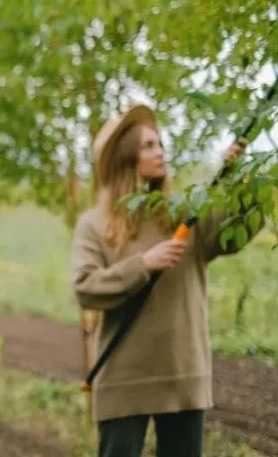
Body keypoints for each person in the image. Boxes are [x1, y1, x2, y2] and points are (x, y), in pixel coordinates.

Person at [71, 104, 262, 457]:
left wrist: (239, 178)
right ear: (124, 157)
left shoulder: (183, 212)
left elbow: (235, 234)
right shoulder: (95, 223)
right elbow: (85, 288)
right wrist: (142, 263)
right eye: (147, 145)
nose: (160, 152)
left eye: (160, 144)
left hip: (183, 373)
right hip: (123, 377)